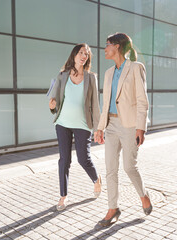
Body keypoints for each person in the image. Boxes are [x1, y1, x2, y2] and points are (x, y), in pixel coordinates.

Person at [94, 33, 152, 226]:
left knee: (129, 166)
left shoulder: (136, 68)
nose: (105, 48)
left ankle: (143, 195)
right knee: (111, 169)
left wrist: (140, 128)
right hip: (111, 125)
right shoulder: (108, 73)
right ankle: (113, 209)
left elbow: (142, 101)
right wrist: (100, 128)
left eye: (107, 44)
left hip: (129, 125)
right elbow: (106, 103)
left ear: (117, 46)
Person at [48, 43, 102, 211]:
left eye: (86, 54)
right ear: (74, 55)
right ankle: (63, 196)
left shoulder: (91, 77)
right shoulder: (63, 74)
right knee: (64, 160)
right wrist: (52, 106)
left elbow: (95, 104)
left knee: (83, 159)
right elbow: (54, 101)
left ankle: (96, 179)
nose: (84, 56)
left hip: (82, 125)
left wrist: (99, 128)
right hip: (62, 123)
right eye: (80, 52)